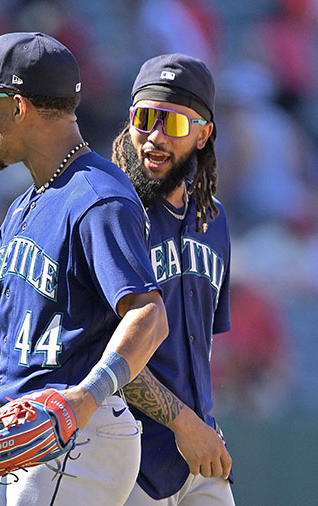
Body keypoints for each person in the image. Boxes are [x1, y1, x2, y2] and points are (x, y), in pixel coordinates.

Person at [0, 32, 169, 505]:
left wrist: (83, 400)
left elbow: (149, 314)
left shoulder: (98, 198)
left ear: (18, 107)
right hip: (39, 434)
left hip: (76, 434)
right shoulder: (25, 206)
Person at [112, 54, 234, 505]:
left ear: (204, 134)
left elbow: (201, 345)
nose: (155, 138)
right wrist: (186, 424)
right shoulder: (111, 215)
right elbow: (106, 352)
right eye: (145, 119)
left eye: (175, 125)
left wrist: (202, 425)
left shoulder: (213, 219)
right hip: (126, 461)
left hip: (200, 458)